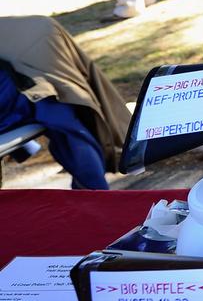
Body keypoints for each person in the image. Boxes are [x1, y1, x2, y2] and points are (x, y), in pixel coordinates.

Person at [0, 15, 132, 190]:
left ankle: (94, 196)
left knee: (59, 114)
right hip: (33, 80)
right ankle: (94, 196)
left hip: (30, 85)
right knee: (61, 115)